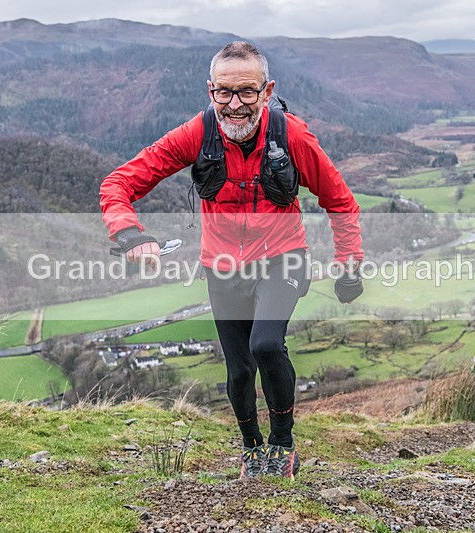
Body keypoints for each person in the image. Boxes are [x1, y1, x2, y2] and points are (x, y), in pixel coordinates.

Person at [99, 41, 364, 480]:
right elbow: (118, 183)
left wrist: (349, 265)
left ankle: (282, 443)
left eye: (247, 91)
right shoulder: (197, 134)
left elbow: (340, 201)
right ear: (211, 90)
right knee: (239, 370)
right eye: (224, 92)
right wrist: (129, 234)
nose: (235, 104)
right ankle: (252, 448)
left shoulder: (292, 137)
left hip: (282, 257)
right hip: (221, 266)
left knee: (266, 346)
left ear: (267, 90)